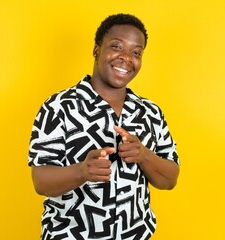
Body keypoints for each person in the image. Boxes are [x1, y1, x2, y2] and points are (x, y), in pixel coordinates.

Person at [28, 13, 180, 240]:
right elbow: (40, 181)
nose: (126, 58)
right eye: (117, 46)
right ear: (96, 50)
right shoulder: (59, 107)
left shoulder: (150, 112)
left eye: (136, 52)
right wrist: (81, 171)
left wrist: (145, 156)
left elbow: (170, 179)